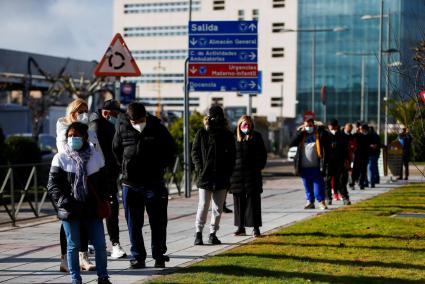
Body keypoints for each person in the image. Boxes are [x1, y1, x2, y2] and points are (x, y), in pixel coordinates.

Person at [112, 102, 176, 269]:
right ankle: (138, 257)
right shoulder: (122, 127)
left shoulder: (158, 128)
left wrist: (160, 167)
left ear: (145, 117)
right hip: (130, 184)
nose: (137, 124)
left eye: (139, 121)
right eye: (133, 122)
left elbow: (171, 150)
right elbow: (116, 150)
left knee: (158, 222)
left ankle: (159, 255)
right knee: (133, 223)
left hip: (154, 183)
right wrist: (125, 167)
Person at [47, 122, 111, 284]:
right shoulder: (60, 158)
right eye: (69, 136)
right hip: (71, 209)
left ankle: (103, 277)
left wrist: (104, 198)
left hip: (92, 210)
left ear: (85, 137)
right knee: (73, 245)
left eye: (76, 135)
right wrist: (64, 201)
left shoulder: (96, 157)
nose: (72, 139)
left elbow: (106, 182)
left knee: (100, 245)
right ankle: (76, 279)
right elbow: (52, 185)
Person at [56, 99, 103, 272]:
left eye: (85, 110)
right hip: (69, 181)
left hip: (88, 180)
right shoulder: (63, 128)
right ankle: (65, 259)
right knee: (67, 220)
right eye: (79, 111)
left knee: (85, 220)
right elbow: (65, 153)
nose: (82, 113)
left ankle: (83, 257)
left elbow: (97, 152)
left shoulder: (89, 130)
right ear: (72, 112)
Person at [192, 105, 236, 245]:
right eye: (214, 117)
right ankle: (198, 233)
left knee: (218, 208)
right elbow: (195, 152)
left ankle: (213, 234)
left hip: (222, 177)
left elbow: (232, 156)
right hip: (205, 176)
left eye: (218, 117)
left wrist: (229, 172)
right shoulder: (202, 133)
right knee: (203, 205)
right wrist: (200, 168)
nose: (216, 119)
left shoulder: (227, 134)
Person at [89, 99, 127, 259]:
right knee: (108, 209)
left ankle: (98, 243)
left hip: (110, 174)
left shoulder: (110, 123)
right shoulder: (97, 125)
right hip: (101, 175)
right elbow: (102, 152)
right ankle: (113, 244)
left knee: (108, 209)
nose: (116, 117)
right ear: (107, 112)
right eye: (114, 114)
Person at [230, 115, 267, 237]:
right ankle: (240, 227)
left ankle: (256, 228)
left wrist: (258, 167)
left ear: (251, 125)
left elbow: (263, 154)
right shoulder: (234, 138)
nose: (245, 126)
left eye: (248, 124)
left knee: (253, 203)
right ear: (239, 125)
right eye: (243, 124)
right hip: (237, 176)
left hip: (252, 175)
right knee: (239, 203)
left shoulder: (256, 137)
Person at [290, 118, 328, 210]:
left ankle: (321, 202)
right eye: (306, 126)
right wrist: (300, 132)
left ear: (314, 126)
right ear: (303, 126)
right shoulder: (301, 135)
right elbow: (292, 143)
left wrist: (321, 127)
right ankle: (310, 202)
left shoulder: (319, 134)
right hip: (303, 166)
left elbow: (328, 137)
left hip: (316, 166)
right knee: (307, 186)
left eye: (310, 125)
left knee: (318, 186)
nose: (308, 127)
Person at [325, 119, 351, 205]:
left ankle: (345, 197)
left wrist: (346, 160)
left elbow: (346, 148)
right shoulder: (326, 135)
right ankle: (328, 197)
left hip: (340, 161)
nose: (331, 127)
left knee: (340, 180)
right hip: (329, 161)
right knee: (328, 180)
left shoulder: (342, 135)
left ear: (336, 126)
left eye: (332, 125)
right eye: (329, 126)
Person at [351, 123, 371, 190]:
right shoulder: (357, 135)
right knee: (355, 170)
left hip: (364, 156)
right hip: (357, 155)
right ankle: (353, 183)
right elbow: (352, 137)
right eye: (360, 129)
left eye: (362, 129)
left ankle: (361, 183)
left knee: (363, 171)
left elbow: (369, 146)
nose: (361, 130)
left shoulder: (368, 136)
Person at [341, 123, 356, 199]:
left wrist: (352, 148)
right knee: (344, 172)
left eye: (350, 129)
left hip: (350, 156)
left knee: (350, 170)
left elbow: (354, 145)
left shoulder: (351, 136)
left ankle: (351, 183)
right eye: (348, 128)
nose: (349, 130)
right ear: (345, 128)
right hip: (342, 157)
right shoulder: (340, 135)